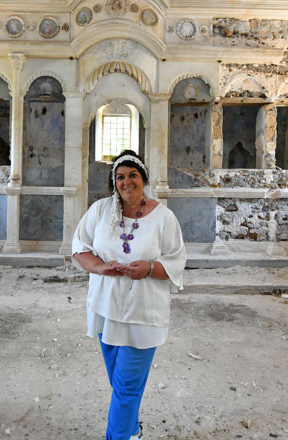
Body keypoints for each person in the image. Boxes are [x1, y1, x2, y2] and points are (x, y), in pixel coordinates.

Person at [72, 150, 187, 440]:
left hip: (143, 315)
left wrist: (150, 268)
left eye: (133, 175)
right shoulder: (100, 210)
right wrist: (100, 266)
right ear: (114, 182)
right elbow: (79, 247)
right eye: (120, 177)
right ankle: (133, 430)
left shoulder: (164, 217)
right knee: (120, 384)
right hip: (106, 310)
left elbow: (176, 260)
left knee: (126, 389)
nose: (127, 182)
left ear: (143, 179)